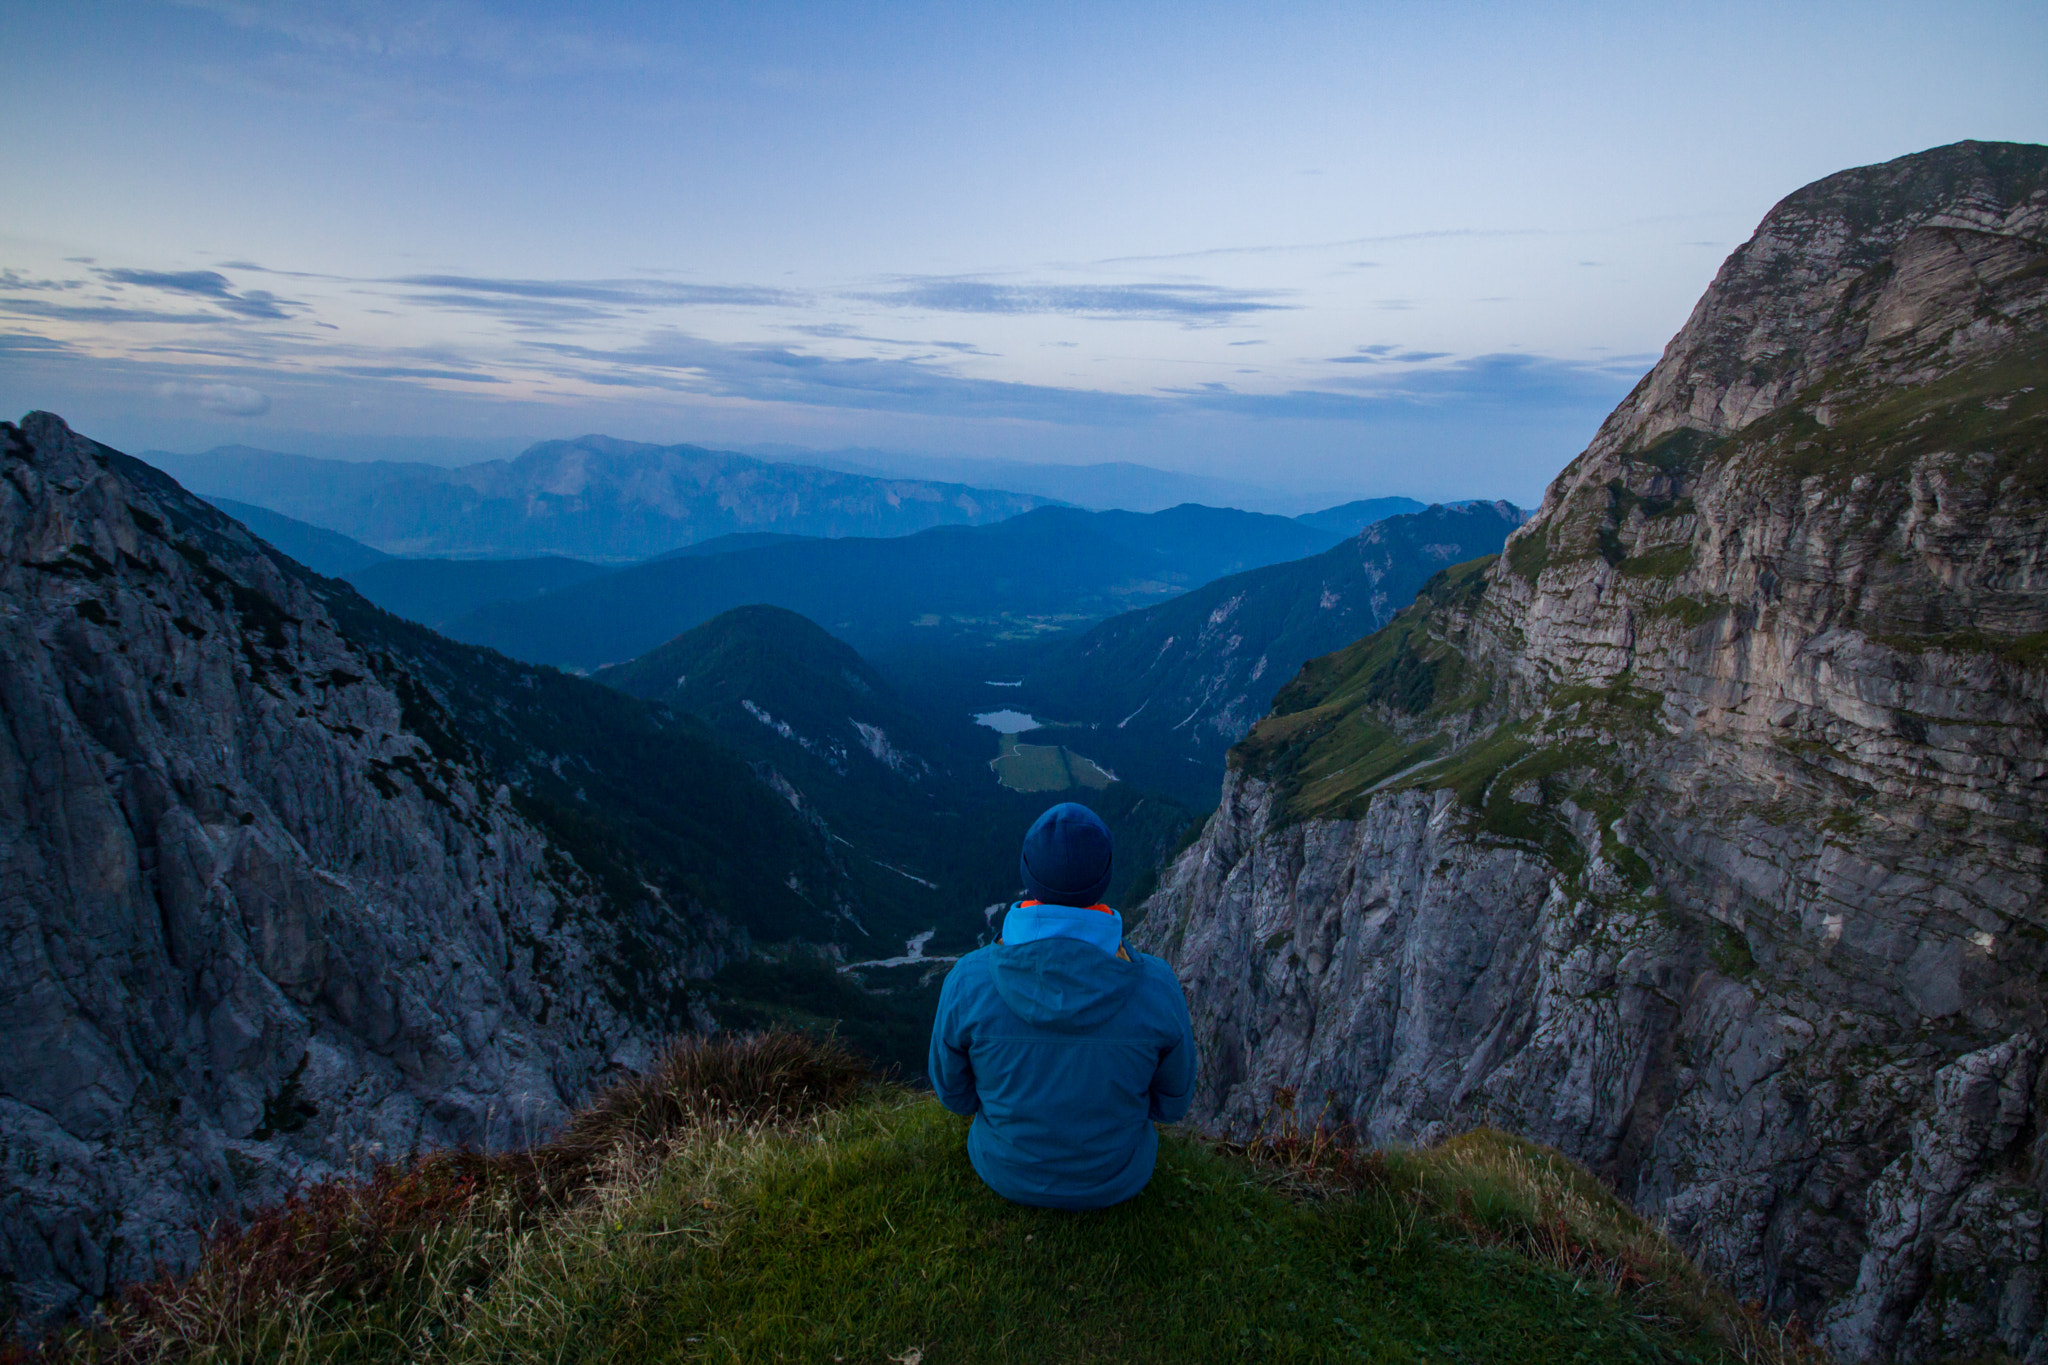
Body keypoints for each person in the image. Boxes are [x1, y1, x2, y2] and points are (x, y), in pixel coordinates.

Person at [927, 801, 1196, 1209]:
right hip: (1118, 1177)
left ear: (1027, 874)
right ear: (1104, 878)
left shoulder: (968, 980)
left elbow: (954, 1096)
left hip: (1004, 1171)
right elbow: (1172, 1104)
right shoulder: (1157, 986)